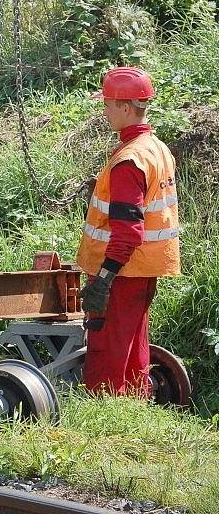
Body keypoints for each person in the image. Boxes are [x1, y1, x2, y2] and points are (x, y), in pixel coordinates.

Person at [78, 67, 180, 397]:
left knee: (106, 343)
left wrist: (105, 278)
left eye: (107, 104)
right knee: (133, 340)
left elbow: (128, 231)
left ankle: (104, 406)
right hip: (144, 268)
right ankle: (134, 401)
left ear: (124, 107)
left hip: (121, 269)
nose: (104, 111)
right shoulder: (156, 148)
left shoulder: (128, 160)